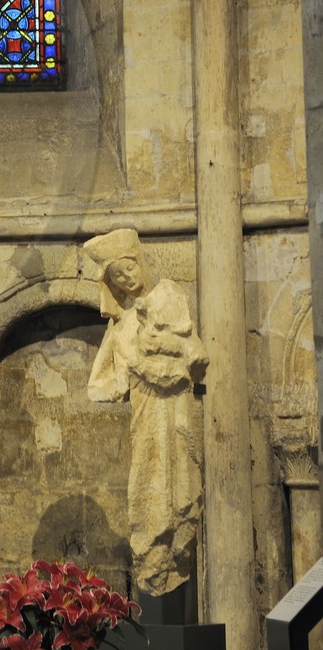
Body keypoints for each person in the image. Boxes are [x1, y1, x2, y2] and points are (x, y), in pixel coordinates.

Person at [83, 229, 207, 598]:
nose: (127, 278)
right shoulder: (119, 327)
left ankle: (176, 562)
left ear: (139, 263)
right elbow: (98, 385)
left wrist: (165, 355)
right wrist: (131, 372)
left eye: (129, 268)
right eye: (118, 276)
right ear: (112, 284)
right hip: (146, 419)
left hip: (177, 416)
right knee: (148, 496)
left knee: (183, 495)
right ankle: (154, 570)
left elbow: (197, 357)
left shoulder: (169, 298)